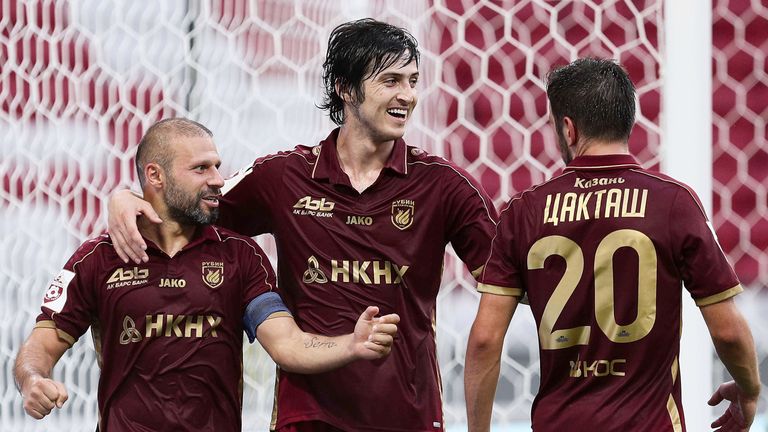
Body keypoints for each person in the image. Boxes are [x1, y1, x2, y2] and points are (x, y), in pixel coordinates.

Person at [107, 19, 496, 432]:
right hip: (307, 418)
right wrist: (126, 197)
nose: (408, 96)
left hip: (407, 415)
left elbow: (508, 280)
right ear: (346, 89)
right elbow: (192, 209)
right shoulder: (283, 177)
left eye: (413, 81)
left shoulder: (444, 185)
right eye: (391, 80)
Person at [14, 118, 400, 431]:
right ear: (156, 176)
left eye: (217, 165)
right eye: (201, 168)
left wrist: (350, 344)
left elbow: (286, 344)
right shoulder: (97, 259)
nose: (217, 178)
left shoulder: (240, 256)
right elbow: (41, 345)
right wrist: (33, 379)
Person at [464, 57, 761, 432]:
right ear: (628, 120)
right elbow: (729, 332)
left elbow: (485, 340)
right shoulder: (673, 203)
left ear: (567, 129)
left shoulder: (524, 211)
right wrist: (749, 389)